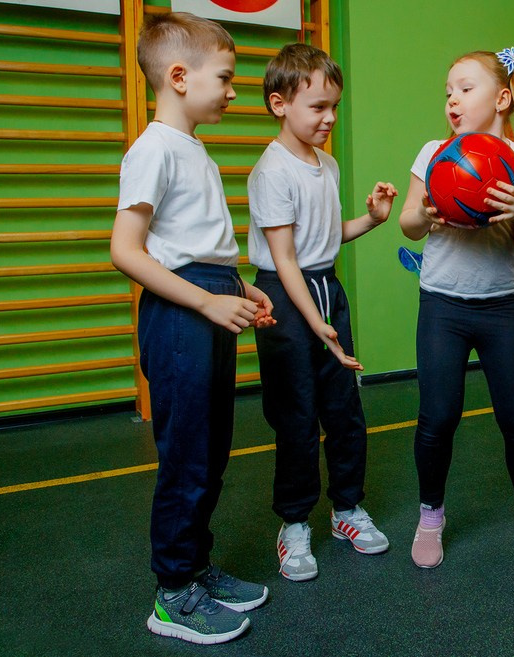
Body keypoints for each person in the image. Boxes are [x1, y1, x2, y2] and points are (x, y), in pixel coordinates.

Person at [110, 12, 274, 645]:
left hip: (209, 297)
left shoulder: (191, 146)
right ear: (179, 77)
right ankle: (173, 593)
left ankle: (196, 568)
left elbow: (195, 245)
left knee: (210, 450)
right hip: (181, 314)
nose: (233, 91)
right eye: (226, 78)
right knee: (185, 457)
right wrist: (206, 302)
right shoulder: (153, 148)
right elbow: (127, 250)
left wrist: (238, 288)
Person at [398, 47, 514, 568]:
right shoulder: (434, 152)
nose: (453, 100)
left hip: (501, 309)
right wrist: (424, 213)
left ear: (502, 98)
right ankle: (430, 516)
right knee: (437, 418)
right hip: (442, 306)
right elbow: (408, 224)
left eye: (466, 89)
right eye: (448, 91)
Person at [248, 43, 397, 583]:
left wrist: (373, 219)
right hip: (284, 297)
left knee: (343, 409)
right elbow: (286, 259)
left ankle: (347, 509)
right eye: (318, 107)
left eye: (335, 106)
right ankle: (293, 524)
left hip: (325, 287)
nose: (330, 117)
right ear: (279, 104)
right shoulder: (272, 171)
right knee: (296, 416)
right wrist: (315, 323)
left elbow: (325, 239)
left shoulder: (327, 164)